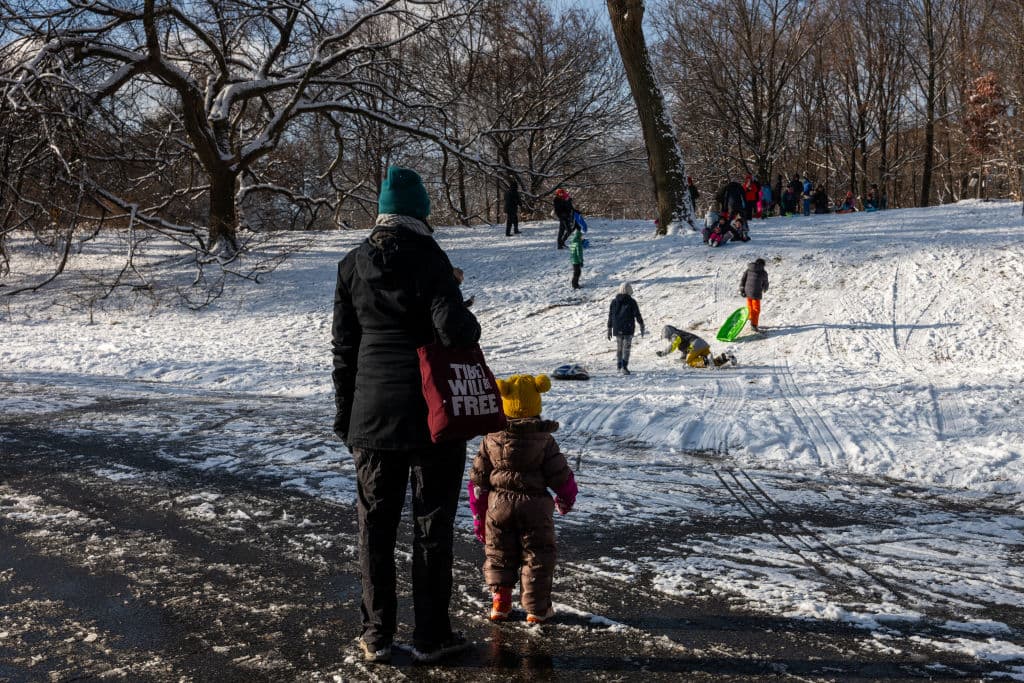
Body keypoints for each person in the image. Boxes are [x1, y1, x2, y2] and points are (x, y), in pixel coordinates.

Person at [332, 165, 480, 665]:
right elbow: (456, 333)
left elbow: (344, 349)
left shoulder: (351, 264)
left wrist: (345, 416)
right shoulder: (432, 260)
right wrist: (457, 296)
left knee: (375, 526)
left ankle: (376, 634)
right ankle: (432, 635)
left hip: (371, 416)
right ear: (420, 211)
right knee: (432, 525)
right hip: (432, 415)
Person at [468, 374, 578, 624]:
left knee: (499, 554)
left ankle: (500, 604)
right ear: (536, 406)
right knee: (537, 555)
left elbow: (477, 483)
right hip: (535, 509)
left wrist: (479, 515)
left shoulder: (491, 439)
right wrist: (566, 499)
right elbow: (561, 475)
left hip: (498, 509)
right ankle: (537, 610)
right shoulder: (544, 441)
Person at [607, 282, 645, 375]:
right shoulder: (632, 301)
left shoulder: (614, 302)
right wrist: (641, 325)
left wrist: (609, 328)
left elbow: (610, 315)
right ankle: (624, 366)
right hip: (628, 327)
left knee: (619, 348)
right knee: (626, 348)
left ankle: (619, 366)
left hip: (617, 327)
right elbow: (637, 314)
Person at [656, 325, 733, 367]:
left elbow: (673, 345)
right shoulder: (681, 333)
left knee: (690, 362)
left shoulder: (675, 335)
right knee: (713, 363)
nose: (667, 339)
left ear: (668, 333)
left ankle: (706, 360)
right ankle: (725, 357)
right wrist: (681, 359)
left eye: (666, 337)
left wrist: (663, 353)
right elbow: (685, 352)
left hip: (695, 345)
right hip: (702, 344)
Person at [739, 257, 770, 333]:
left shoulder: (748, 269)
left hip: (747, 291)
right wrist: (765, 288)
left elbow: (743, 279)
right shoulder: (763, 272)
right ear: (762, 265)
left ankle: (750, 317)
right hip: (756, 292)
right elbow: (765, 282)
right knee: (756, 309)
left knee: (750, 305)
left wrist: (742, 288)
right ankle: (754, 324)